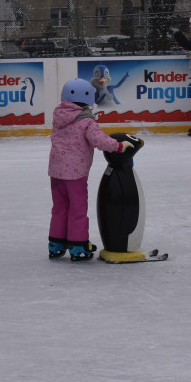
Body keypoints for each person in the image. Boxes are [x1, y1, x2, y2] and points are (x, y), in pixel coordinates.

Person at [47, 78, 133, 261]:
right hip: (75, 173)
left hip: (56, 172)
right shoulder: (86, 121)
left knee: (60, 207)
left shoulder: (59, 116)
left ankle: (56, 243)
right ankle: (78, 246)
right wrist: (118, 146)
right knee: (77, 208)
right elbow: (100, 141)